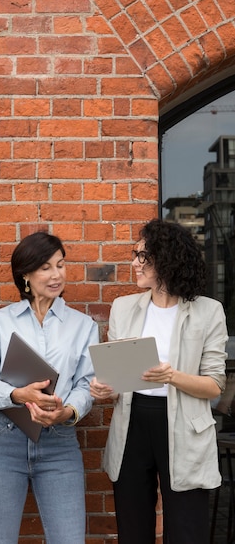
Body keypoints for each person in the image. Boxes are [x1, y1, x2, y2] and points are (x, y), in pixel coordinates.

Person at [90, 218, 228, 544]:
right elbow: (117, 377)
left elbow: (214, 385)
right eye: (134, 254)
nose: (134, 263)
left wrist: (173, 377)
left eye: (143, 256)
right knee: (133, 529)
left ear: (166, 258)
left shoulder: (208, 311)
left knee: (186, 531)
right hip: (133, 422)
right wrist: (103, 389)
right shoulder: (123, 308)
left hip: (185, 426)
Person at [0, 231, 99, 544]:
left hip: (60, 443)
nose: (56, 275)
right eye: (45, 267)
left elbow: (86, 383)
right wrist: (15, 394)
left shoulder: (83, 326)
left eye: (61, 265)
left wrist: (68, 411)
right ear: (25, 274)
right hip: (2, 442)